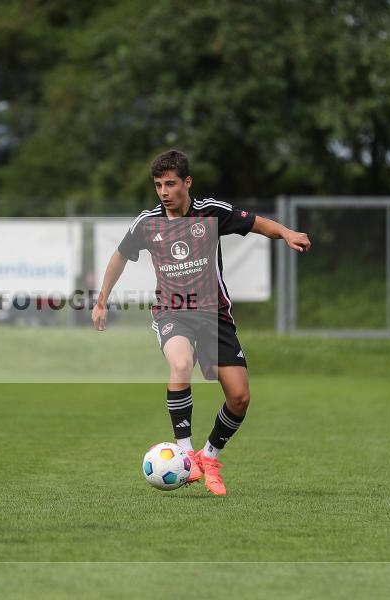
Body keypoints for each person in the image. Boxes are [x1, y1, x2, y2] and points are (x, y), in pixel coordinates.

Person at [92, 149, 311, 496]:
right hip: (172, 312)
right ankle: (186, 454)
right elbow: (120, 255)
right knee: (180, 364)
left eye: (170, 184)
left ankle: (209, 456)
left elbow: (256, 223)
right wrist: (102, 298)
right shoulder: (148, 223)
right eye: (158, 185)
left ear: (187, 182)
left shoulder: (211, 213)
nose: (163, 191)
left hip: (214, 315)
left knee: (239, 397)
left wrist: (286, 233)